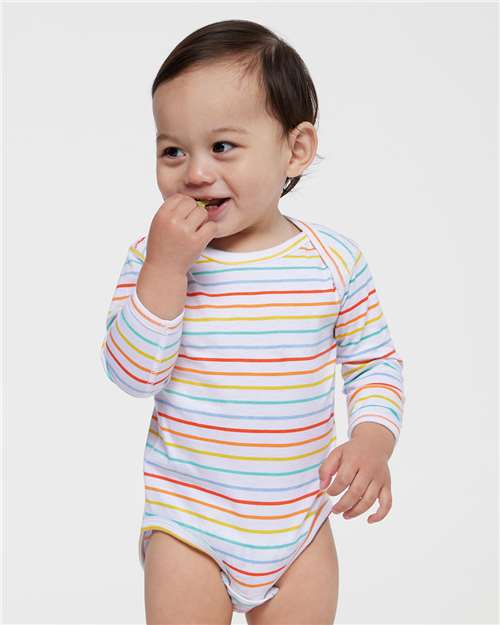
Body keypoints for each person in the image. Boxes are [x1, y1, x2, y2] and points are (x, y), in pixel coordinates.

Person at [99, 19, 405, 625]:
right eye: (172, 150)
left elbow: (374, 363)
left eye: (222, 147)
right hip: (189, 523)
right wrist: (165, 269)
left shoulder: (333, 261)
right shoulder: (154, 258)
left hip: (299, 526)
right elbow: (133, 376)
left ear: (295, 149)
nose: (194, 172)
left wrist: (374, 439)